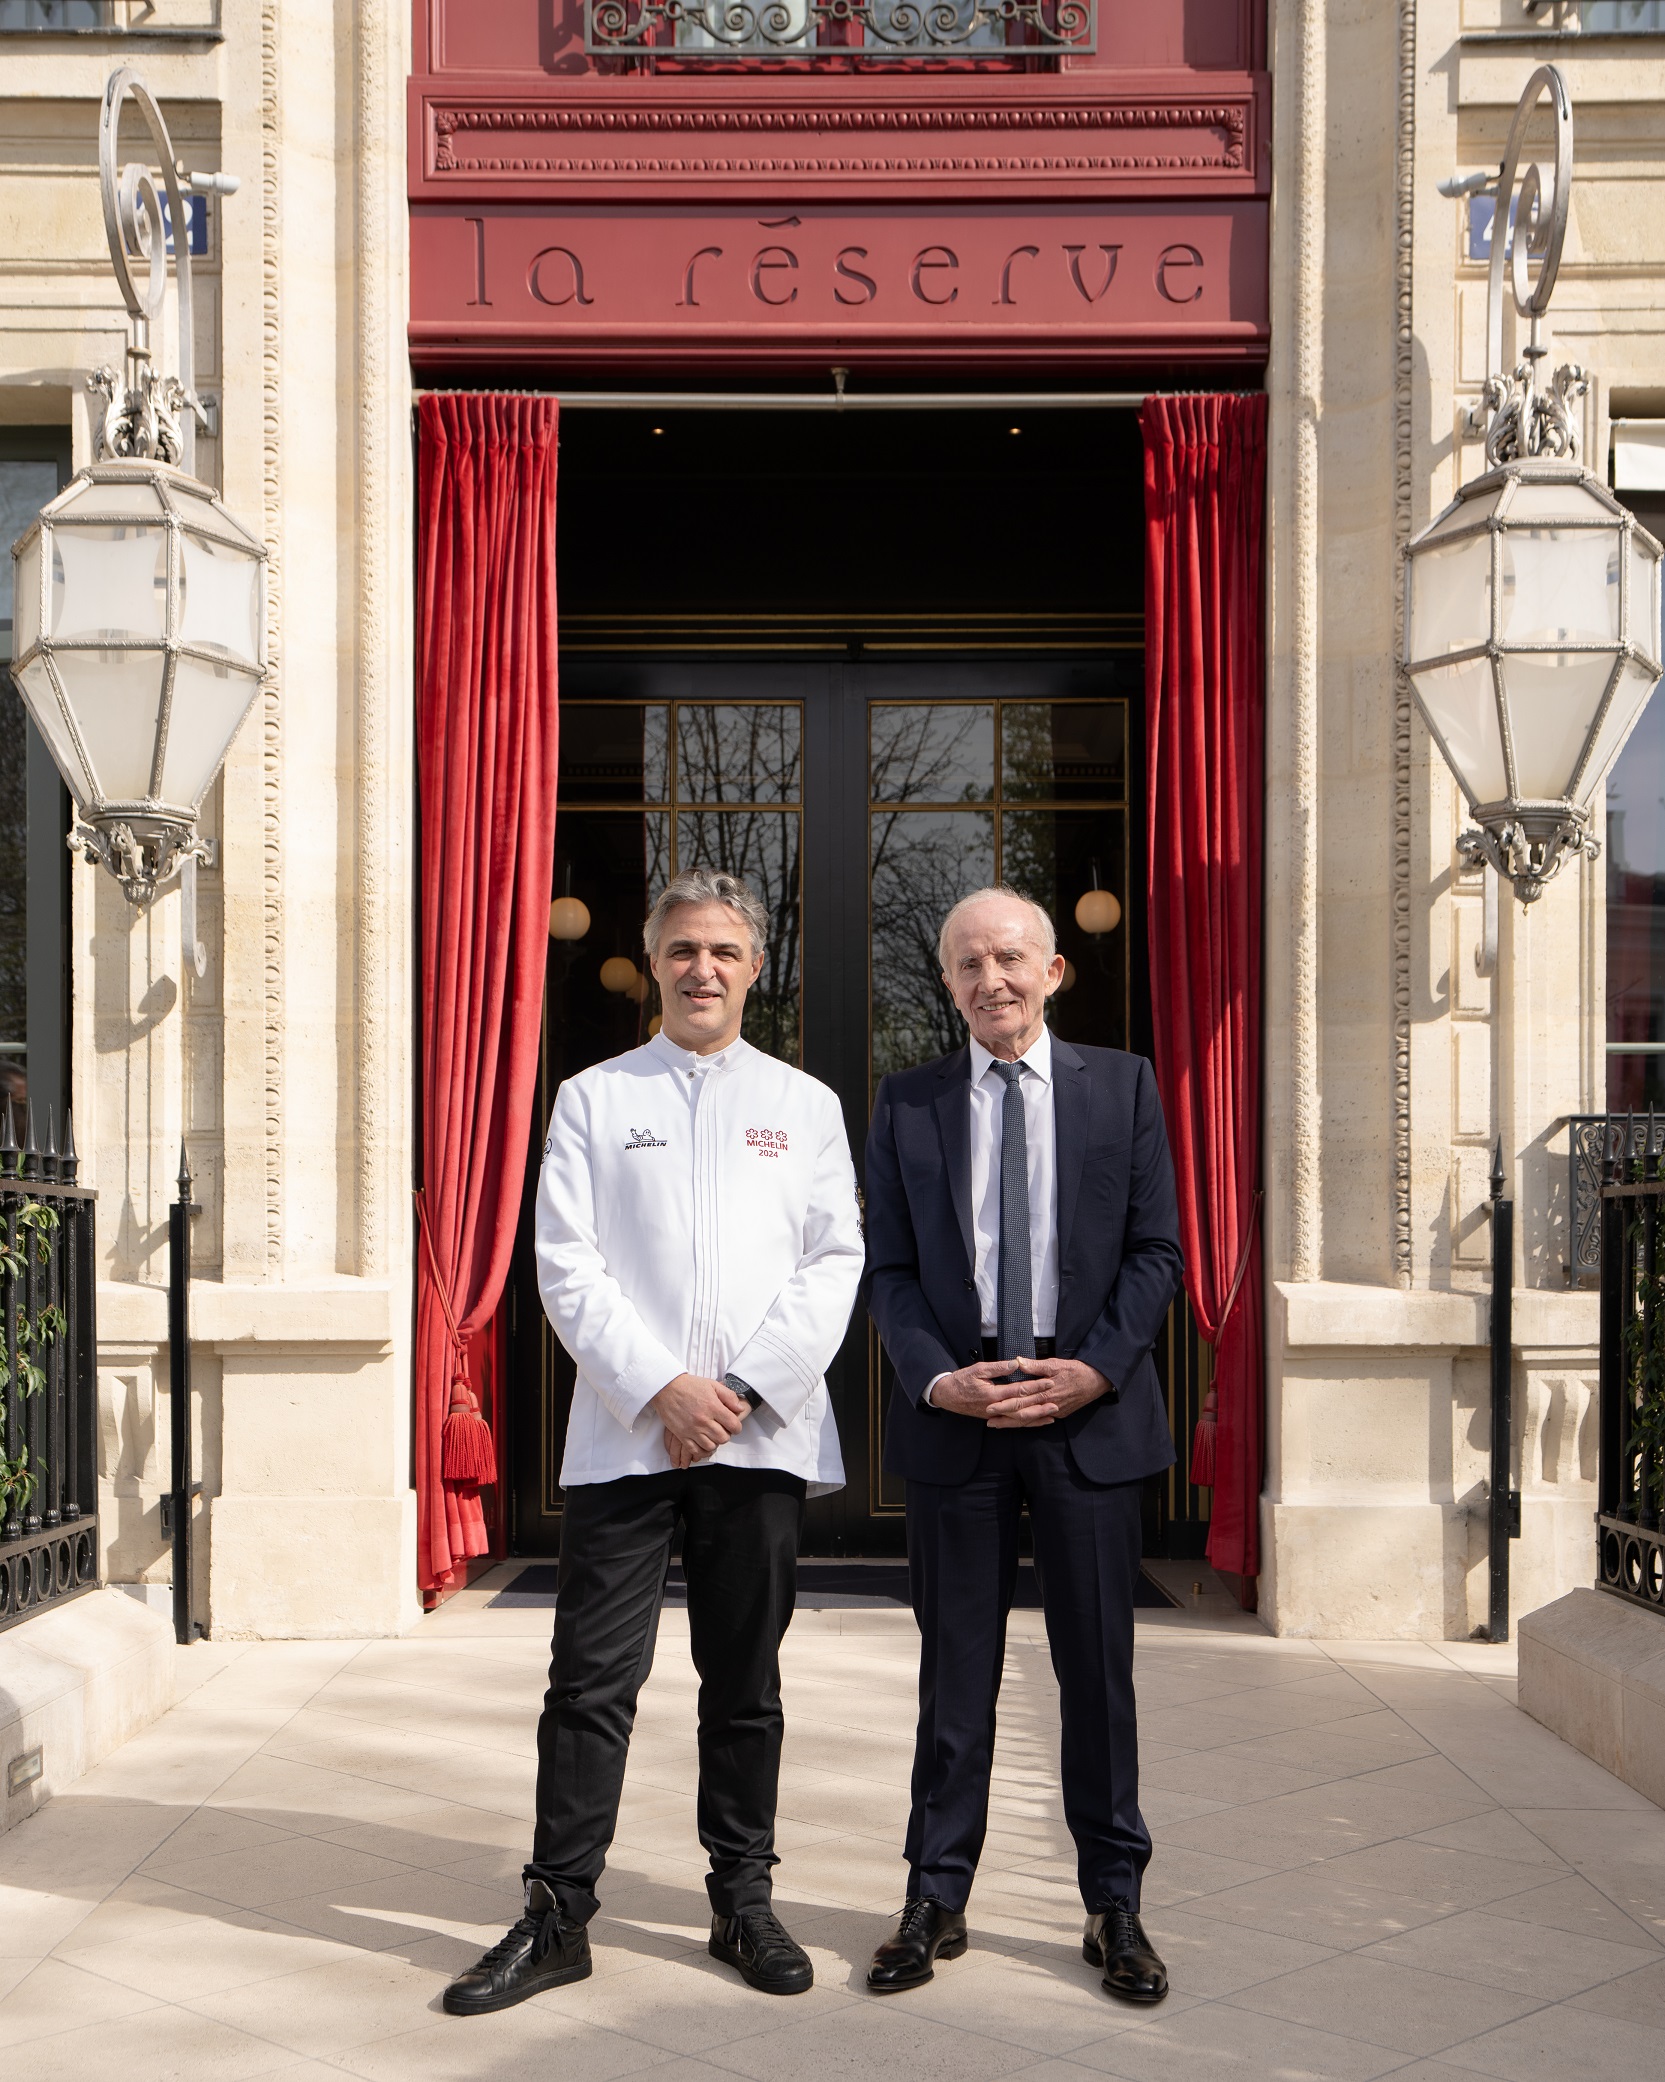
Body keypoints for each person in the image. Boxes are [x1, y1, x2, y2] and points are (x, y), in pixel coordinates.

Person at [444, 866, 864, 2017]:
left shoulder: (807, 1106)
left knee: (744, 1685)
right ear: (657, 960)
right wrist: (663, 1389)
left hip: (759, 1434)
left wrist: (737, 1390)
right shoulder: (591, 1097)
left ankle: (743, 1900)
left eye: (724, 950)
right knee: (589, 1685)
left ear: (754, 965)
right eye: (682, 949)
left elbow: (836, 1262)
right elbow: (564, 1263)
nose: (702, 969)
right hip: (628, 1437)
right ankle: (559, 1914)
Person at [862, 885, 1184, 2004]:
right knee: (957, 1677)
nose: (988, 979)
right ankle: (933, 1897)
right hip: (963, 1417)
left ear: (1053, 972)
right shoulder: (907, 1105)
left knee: (1097, 1678)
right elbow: (888, 1272)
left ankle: (1115, 1908)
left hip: (1085, 1409)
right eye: (965, 964)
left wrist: (1094, 1366)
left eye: (1009, 959)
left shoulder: (1124, 1086)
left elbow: (1156, 1251)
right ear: (946, 980)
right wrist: (938, 1377)